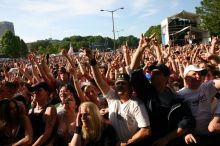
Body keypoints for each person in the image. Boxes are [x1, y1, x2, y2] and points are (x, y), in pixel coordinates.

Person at [129, 34, 195, 146]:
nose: (152, 74)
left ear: (166, 78)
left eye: (157, 72)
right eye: (151, 72)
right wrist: (141, 49)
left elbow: (187, 121)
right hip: (148, 141)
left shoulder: (177, 99)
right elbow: (133, 70)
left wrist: (167, 139)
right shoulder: (146, 91)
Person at [84, 48, 151, 146]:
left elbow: (146, 130)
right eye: (117, 83)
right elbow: (98, 80)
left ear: (130, 86)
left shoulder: (136, 104)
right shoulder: (112, 97)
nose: (119, 85)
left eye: (123, 83)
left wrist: (128, 142)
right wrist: (92, 60)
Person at [177, 64, 220, 146]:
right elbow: (177, 119)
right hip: (193, 138)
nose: (198, 76)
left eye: (200, 74)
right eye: (194, 74)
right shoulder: (179, 95)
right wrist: (184, 134)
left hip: (212, 134)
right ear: (186, 78)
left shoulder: (206, 87)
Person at [28, 82, 57, 146]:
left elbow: (47, 134)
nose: (35, 93)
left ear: (47, 92)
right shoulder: (30, 111)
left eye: (39, 90)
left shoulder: (50, 109)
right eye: (34, 91)